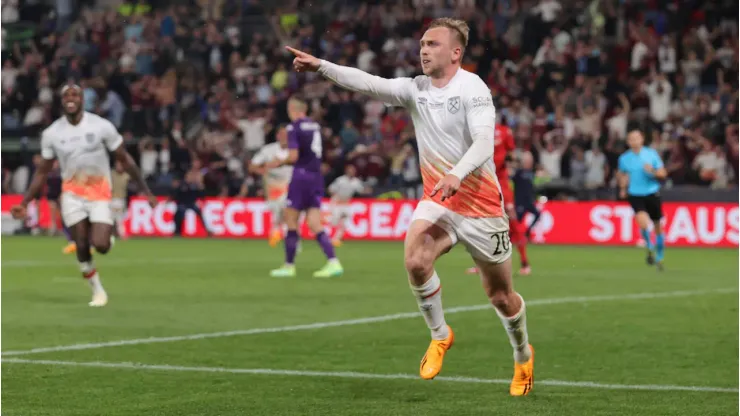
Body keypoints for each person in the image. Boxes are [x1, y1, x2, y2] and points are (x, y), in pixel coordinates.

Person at [286, 17, 534, 396]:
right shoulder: (415, 89)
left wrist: (457, 174)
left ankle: (522, 355)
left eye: (432, 44)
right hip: (438, 200)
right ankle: (440, 334)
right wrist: (321, 65)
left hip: (481, 207)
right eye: (421, 43)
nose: (423, 49)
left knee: (500, 296)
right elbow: (368, 83)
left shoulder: (474, 88)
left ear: (455, 52)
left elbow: (485, 143)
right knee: (416, 261)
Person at [11, 84, 157, 307]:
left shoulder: (101, 126)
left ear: (82, 100)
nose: (71, 98)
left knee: (101, 245)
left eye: (75, 95)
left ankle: (104, 237)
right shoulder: (52, 133)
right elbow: (42, 171)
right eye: (66, 95)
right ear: (61, 101)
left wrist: (146, 191)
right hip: (72, 195)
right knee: (80, 243)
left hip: (100, 193)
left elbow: (125, 160)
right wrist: (24, 202)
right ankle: (97, 291)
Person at [267, 97, 344, 279]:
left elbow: (293, 156)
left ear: (291, 108)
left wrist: (279, 162)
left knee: (290, 219)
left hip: (301, 177)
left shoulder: (293, 127)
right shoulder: (314, 126)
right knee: (315, 223)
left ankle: (289, 265)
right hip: (316, 176)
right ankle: (333, 262)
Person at [466, 121, 531, 276]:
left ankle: (525, 263)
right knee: (482, 223)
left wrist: (510, 161)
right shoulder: (477, 131)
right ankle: (481, 264)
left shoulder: (504, 131)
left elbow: (511, 153)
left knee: (512, 220)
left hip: (501, 181)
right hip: (484, 182)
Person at [617, 129, 667, 270]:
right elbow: (622, 174)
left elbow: (663, 173)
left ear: (642, 139)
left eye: (636, 138)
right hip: (635, 194)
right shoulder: (624, 158)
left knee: (658, 226)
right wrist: (622, 188)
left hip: (652, 193)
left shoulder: (651, 155)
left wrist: (652, 171)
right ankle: (649, 246)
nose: (634, 141)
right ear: (628, 142)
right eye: (631, 139)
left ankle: (660, 255)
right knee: (643, 223)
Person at [247, 125, 293, 247]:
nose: (285, 137)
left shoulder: (295, 151)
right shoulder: (268, 150)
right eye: (282, 134)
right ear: (277, 136)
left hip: (291, 185)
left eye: (287, 135)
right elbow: (252, 166)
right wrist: (262, 171)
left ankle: (291, 241)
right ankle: (276, 231)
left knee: (288, 210)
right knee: (278, 212)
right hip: (273, 187)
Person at [328, 164, 368, 247]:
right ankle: (326, 237)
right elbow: (330, 189)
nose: (351, 172)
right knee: (333, 222)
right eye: (350, 170)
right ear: (346, 171)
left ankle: (336, 239)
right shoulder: (340, 180)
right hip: (336, 203)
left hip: (346, 204)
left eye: (353, 170)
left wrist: (367, 190)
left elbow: (361, 191)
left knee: (344, 223)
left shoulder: (356, 182)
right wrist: (336, 197)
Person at [172, 161, 211, 237]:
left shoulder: (195, 185)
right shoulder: (182, 185)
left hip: (192, 203)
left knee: (200, 213)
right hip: (182, 204)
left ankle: (207, 230)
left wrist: (201, 186)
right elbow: (177, 194)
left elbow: (202, 196)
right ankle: (177, 231)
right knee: (179, 214)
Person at [512, 152, 541, 240]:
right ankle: (511, 236)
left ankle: (527, 231)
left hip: (529, 201)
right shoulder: (518, 172)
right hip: (520, 201)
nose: (529, 162)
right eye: (527, 160)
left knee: (537, 214)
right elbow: (510, 178)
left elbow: (532, 186)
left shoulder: (532, 173)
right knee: (517, 221)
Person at [111, 160, 130, 239]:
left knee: (120, 219)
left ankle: (121, 234)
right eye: (117, 165)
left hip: (121, 200)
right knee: (111, 219)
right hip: (112, 199)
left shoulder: (126, 176)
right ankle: (110, 234)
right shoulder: (112, 174)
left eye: (120, 165)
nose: (119, 167)